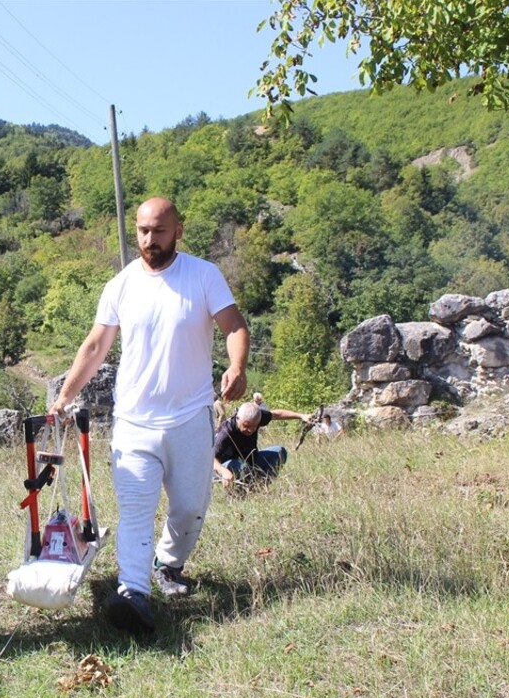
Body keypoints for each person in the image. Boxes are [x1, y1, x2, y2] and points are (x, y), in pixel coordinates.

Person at [49, 197, 250, 635]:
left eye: (158, 231)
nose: (148, 240)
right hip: (134, 423)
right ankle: (133, 593)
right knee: (135, 510)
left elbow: (235, 326)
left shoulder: (202, 276)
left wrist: (236, 367)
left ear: (178, 230)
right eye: (142, 230)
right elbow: (95, 346)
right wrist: (65, 396)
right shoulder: (121, 285)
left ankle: (169, 563)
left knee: (190, 508)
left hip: (189, 418)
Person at [213, 396, 314, 487]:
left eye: (254, 426)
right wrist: (224, 472)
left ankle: (260, 486)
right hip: (225, 468)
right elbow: (211, 459)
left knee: (279, 452)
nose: (250, 430)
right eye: (246, 426)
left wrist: (301, 416)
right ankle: (240, 492)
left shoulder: (258, 416)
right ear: (238, 418)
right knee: (243, 467)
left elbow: (276, 414)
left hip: (251, 462)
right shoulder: (225, 432)